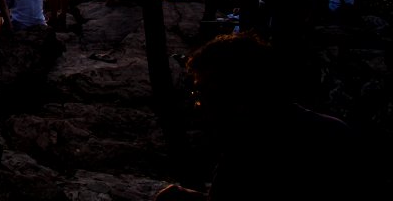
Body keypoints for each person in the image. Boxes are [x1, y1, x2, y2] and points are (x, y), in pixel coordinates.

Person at [155, 33, 362, 200]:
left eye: (203, 93)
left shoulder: (248, 151)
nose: (198, 105)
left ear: (236, 94)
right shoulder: (334, 131)